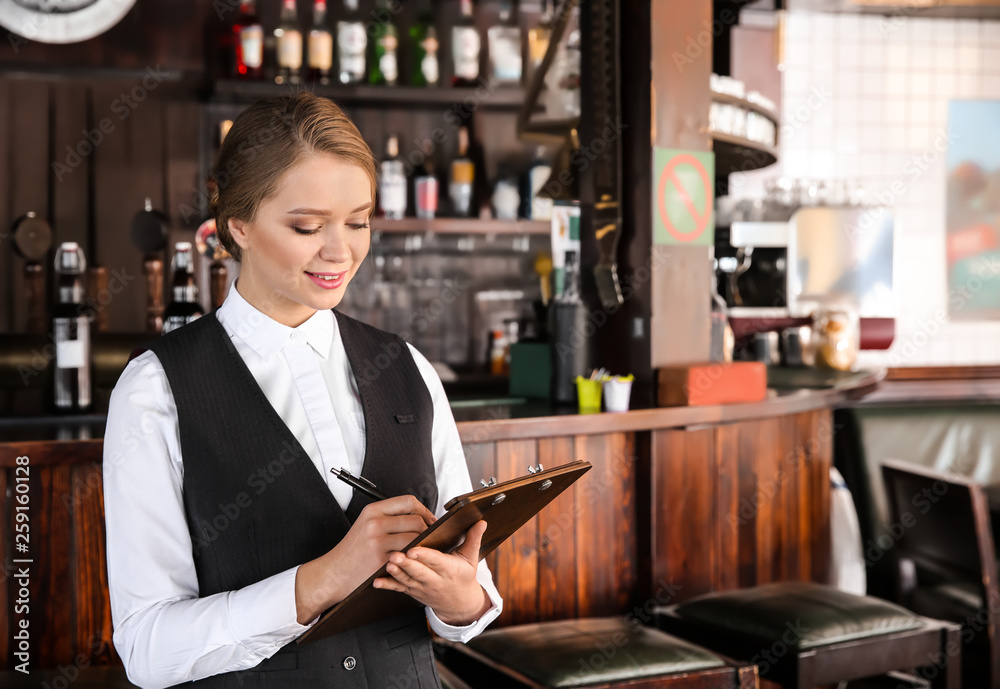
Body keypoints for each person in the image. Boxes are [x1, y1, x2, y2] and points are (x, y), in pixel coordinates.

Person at [103, 92, 502, 689]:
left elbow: (470, 605)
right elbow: (146, 649)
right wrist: (322, 579)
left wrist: (462, 599)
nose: (340, 251)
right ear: (237, 225)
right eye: (307, 226)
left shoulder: (409, 367)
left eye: (359, 221)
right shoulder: (155, 389)